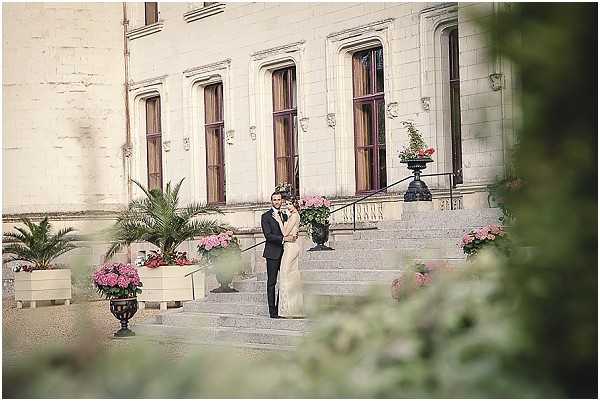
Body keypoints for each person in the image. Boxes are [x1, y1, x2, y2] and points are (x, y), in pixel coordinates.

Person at [260, 192, 296, 318]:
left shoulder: (286, 214)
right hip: (272, 253)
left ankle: (282, 308)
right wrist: (284, 239)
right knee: (272, 282)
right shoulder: (266, 216)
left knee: (285, 280)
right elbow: (268, 235)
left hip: (286, 252)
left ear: (282, 201)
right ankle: (273, 312)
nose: (276, 202)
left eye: (279, 199)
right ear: (271, 201)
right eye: (274, 199)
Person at [276, 197, 304, 318]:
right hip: (290, 246)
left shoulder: (294, 216)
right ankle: (290, 308)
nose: (287, 206)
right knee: (290, 275)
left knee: (286, 274)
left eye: (289, 204)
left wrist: (279, 221)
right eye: (286, 204)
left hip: (291, 247)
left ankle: (289, 309)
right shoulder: (293, 215)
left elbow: (285, 233)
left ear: (294, 204)